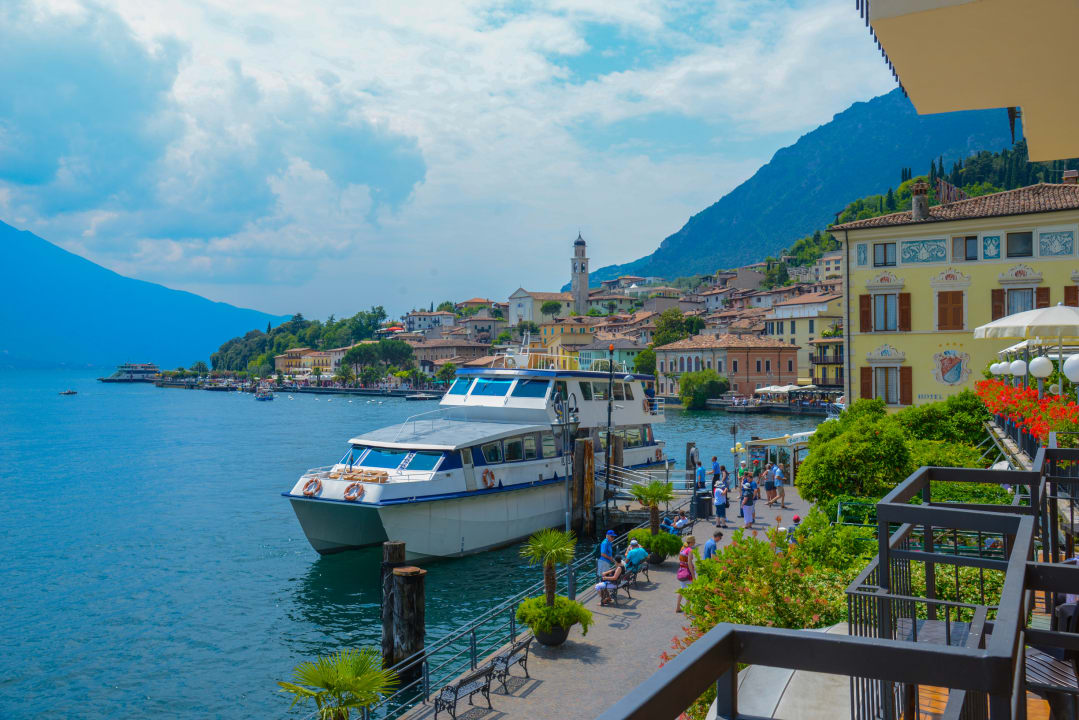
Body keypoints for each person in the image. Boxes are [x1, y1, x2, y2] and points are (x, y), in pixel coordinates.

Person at [675, 536, 697, 613]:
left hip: (681, 571)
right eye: (694, 542)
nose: (694, 543)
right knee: (689, 591)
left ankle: (678, 607)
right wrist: (693, 576)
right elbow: (690, 564)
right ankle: (687, 609)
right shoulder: (690, 550)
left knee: (682, 589)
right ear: (691, 542)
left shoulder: (682, 548)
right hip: (687, 573)